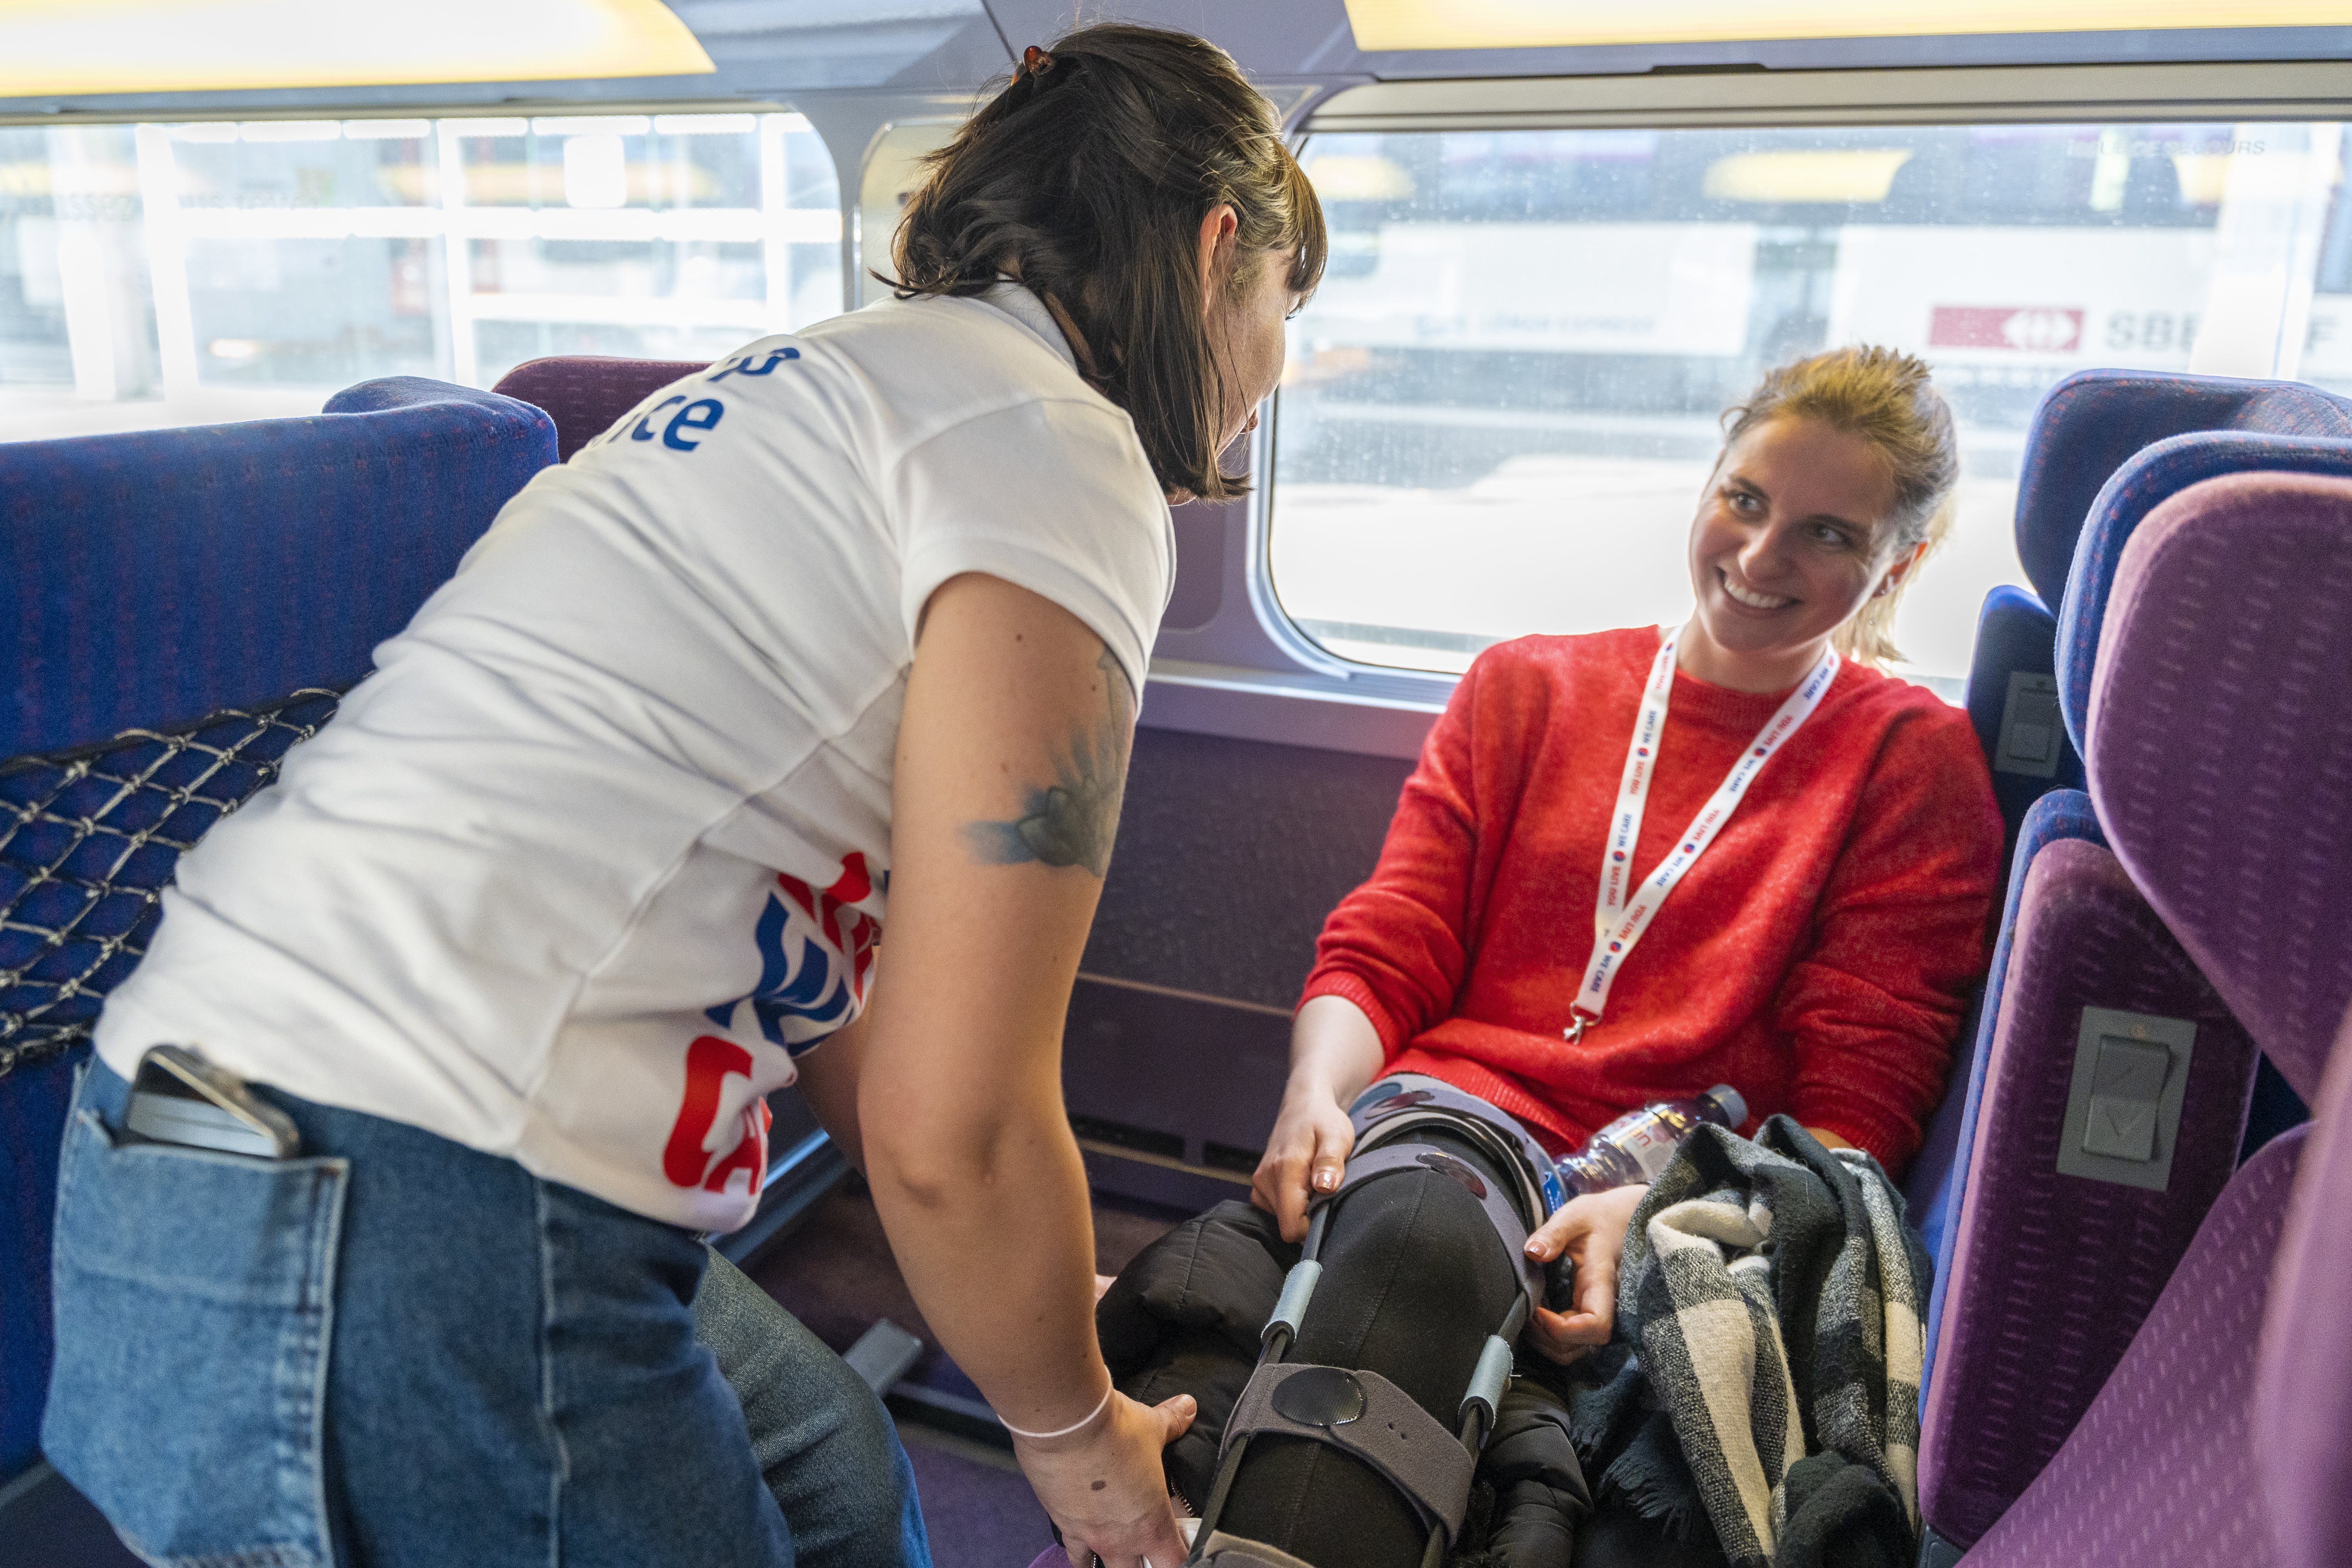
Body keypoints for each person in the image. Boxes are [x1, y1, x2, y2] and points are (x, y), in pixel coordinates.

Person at [42, 25, 1323, 1568]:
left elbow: (876, 1037)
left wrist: (1019, 1309)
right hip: (414, 1212)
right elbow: (952, 1130)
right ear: (1216, 252)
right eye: (1286, 306)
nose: (1275, 367)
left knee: (834, 1481)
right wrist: (1079, 1444)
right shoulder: (1062, 452)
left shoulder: (815, 386)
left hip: (164, 1164)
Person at [1195, 346, 2001, 1561]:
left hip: (1679, 1173)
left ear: (1905, 562)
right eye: (1745, 500)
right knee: (1418, 1236)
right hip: (1463, 1129)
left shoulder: (1912, 763)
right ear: (1708, 483)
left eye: (1829, 535)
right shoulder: (1526, 686)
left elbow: (1857, 1108)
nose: (1763, 558)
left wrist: (1655, 1212)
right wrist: (1315, 1090)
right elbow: (1392, 944)